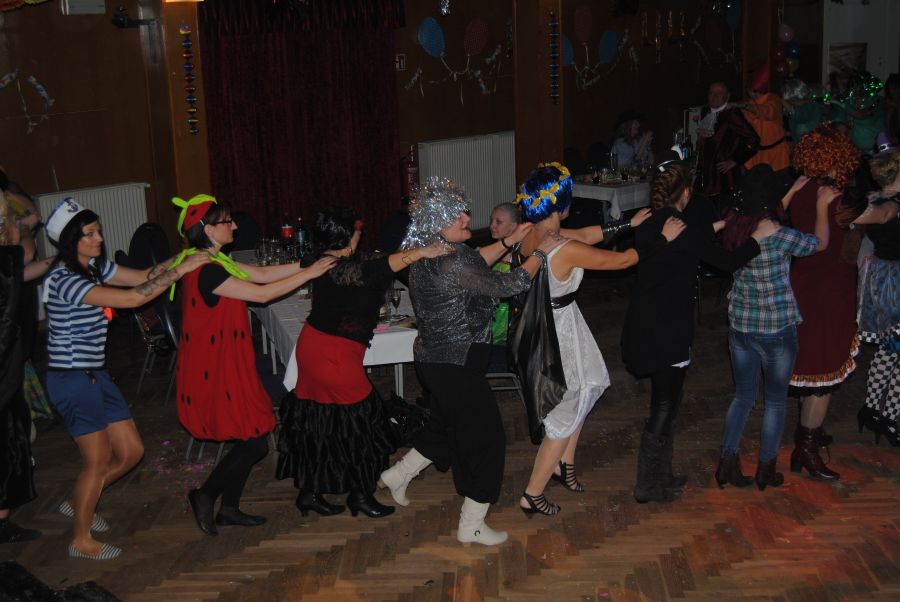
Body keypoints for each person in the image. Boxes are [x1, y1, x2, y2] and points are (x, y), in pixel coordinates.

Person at [378, 176, 559, 546]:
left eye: (463, 211)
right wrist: (540, 254)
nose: (466, 217)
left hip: (433, 362)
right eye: (455, 215)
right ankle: (472, 524)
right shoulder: (454, 262)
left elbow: (475, 262)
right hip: (456, 367)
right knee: (487, 440)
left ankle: (397, 475)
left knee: (444, 427)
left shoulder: (430, 252)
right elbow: (509, 285)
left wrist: (508, 242)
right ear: (436, 224)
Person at [42, 198, 208, 560]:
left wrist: (184, 256)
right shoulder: (64, 280)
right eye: (89, 234)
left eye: (98, 231)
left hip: (95, 375)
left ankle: (79, 501)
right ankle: (80, 540)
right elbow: (133, 299)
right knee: (97, 461)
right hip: (72, 379)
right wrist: (183, 270)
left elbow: (144, 276)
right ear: (70, 240)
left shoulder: (93, 266)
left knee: (132, 452)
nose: (99, 239)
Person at [514, 163, 684, 517]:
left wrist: (627, 224)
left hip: (554, 321)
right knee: (566, 410)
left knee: (590, 384)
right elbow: (623, 261)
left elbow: (586, 234)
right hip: (558, 333)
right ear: (563, 205)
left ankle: (565, 463)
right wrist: (662, 239)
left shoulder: (529, 234)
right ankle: (532, 494)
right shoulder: (563, 247)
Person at [170, 194, 336, 537]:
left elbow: (260, 274)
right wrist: (310, 274)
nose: (234, 226)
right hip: (216, 368)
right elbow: (261, 294)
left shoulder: (215, 259)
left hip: (229, 360)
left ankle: (229, 509)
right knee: (256, 441)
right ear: (207, 230)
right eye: (226, 221)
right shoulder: (206, 271)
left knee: (254, 432)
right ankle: (205, 495)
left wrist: (306, 263)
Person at [276, 207, 450, 518]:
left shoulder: (322, 259)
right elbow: (387, 263)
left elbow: (376, 260)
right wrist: (424, 251)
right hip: (335, 357)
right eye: (357, 231)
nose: (361, 234)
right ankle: (360, 495)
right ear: (347, 236)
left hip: (312, 347)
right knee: (367, 424)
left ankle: (310, 493)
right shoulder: (351, 269)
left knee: (321, 421)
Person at [621, 161, 777, 504]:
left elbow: (684, 240)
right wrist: (757, 238)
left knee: (666, 403)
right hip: (668, 330)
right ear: (687, 193)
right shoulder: (682, 230)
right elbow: (727, 263)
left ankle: (662, 475)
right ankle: (647, 484)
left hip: (644, 324)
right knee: (665, 406)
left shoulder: (650, 221)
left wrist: (718, 225)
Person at [715, 164, 833, 491]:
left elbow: (762, 208)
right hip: (776, 330)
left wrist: (792, 190)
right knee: (776, 402)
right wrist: (822, 205)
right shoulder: (779, 235)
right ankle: (766, 470)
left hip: (741, 326)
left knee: (743, 398)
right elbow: (820, 243)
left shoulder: (732, 228)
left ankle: (727, 463)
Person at [781, 125, 860, 480]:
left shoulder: (800, 188)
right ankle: (806, 448)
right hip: (827, 292)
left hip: (803, 286)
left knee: (811, 367)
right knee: (822, 372)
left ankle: (808, 433)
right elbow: (827, 243)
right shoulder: (833, 197)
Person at [0, 193, 42, 544]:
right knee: (8, 438)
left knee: (13, 434)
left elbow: (24, 271)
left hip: (7, 366)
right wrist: (21, 227)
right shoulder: (6, 255)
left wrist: (58, 259)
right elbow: (25, 254)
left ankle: (2, 520)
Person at [853, 140, 900, 446]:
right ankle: (890, 418)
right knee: (896, 350)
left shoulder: (878, 197)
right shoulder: (891, 204)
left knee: (890, 349)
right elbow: (882, 215)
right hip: (895, 282)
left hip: (885, 278)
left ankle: (871, 411)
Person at [694, 82, 760, 206]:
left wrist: (735, 160)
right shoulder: (705, 111)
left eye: (719, 93)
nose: (715, 96)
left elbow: (754, 140)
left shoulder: (732, 114)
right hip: (705, 175)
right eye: (712, 93)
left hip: (723, 178)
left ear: (727, 96)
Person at [487, 202, 523, 354]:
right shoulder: (490, 252)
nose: (492, 226)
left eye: (498, 222)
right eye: (491, 221)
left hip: (507, 318)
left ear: (514, 227)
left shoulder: (519, 257)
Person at [739, 66, 790, 173]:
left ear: (752, 90)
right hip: (756, 156)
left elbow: (766, 112)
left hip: (777, 156)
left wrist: (744, 106)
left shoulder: (773, 99)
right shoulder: (749, 104)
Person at [782, 79, 824, 145]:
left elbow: (800, 118)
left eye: (791, 101)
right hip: (803, 146)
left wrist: (783, 102)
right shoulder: (800, 108)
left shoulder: (812, 106)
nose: (791, 104)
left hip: (813, 146)